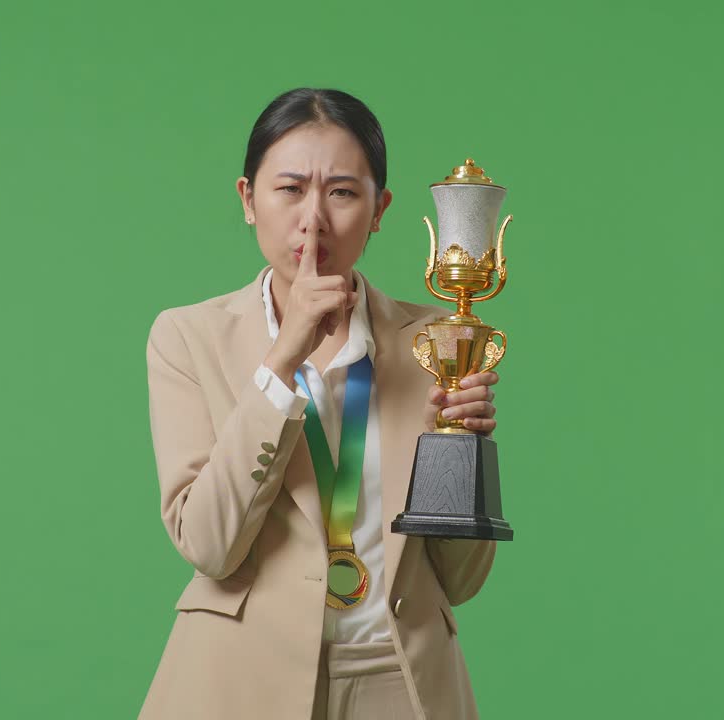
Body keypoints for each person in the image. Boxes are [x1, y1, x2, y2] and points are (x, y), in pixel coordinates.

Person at [138, 88, 501, 720]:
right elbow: (208, 544)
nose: (314, 218)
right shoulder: (187, 338)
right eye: (289, 189)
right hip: (239, 684)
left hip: (401, 682)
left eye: (341, 191)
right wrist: (282, 363)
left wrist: (456, 447)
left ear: (380, 209)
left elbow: (460, 580)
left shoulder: (435, 344)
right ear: (248, 200)